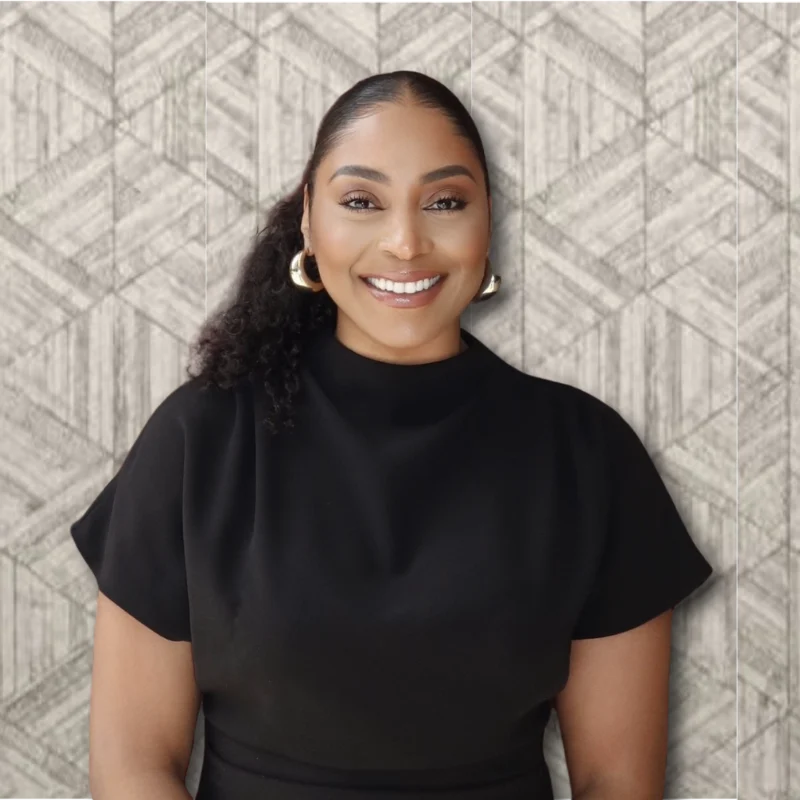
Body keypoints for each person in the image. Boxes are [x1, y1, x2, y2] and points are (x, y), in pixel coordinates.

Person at [70, 71, 713, 800]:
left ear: (487, 221)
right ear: (310, 220)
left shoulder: (589, 457)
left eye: (444, 201)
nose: (406, 242)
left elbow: (618, 782)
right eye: (361, 202)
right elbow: (132, 765)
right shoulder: (199, 444)